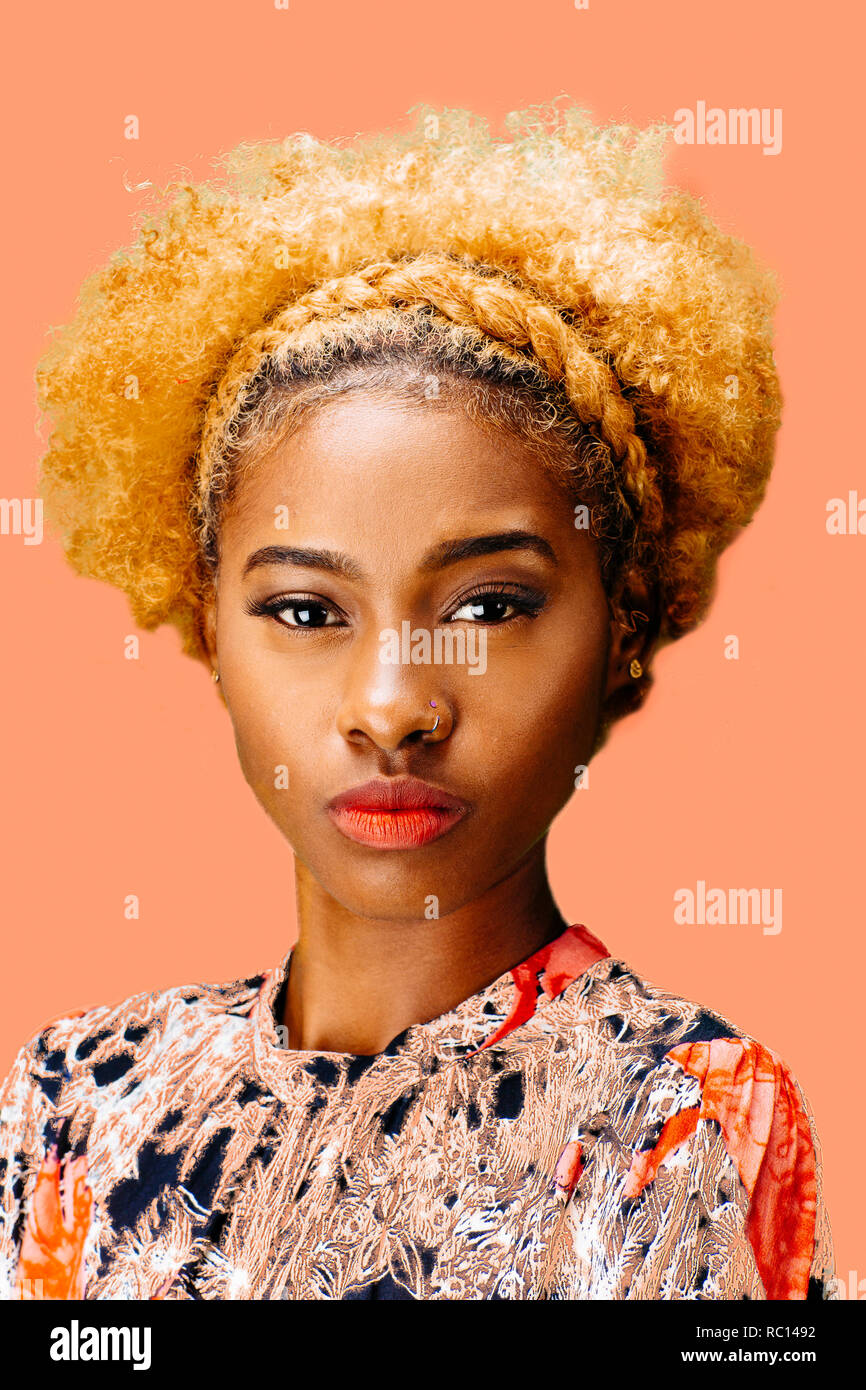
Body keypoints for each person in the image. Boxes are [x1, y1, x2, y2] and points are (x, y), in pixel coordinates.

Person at [0, 100, 835, 1300]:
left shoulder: (690, 1115)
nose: (391, 706)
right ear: (208, 627)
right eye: (304, 612)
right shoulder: (75, 1102)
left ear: (622, 624)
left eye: (489, 607)